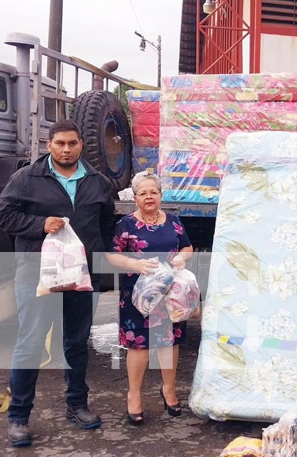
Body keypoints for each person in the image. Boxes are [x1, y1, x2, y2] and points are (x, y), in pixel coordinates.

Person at [0, 120, 115, 447]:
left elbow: (105, 225)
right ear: (49, 145)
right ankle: (18, 416)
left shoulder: (97, 181)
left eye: (72, 143)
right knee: (31, 343)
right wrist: (38, 224)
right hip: (37, 275)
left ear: (80, 145)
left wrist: (100, 268)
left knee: (76, 343)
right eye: (59, 143)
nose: (66, 149)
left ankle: (77, 405)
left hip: (80, 277)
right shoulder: (26, 178)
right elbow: (2, 216)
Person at [106, 170, 193, 425]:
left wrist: (181, 257)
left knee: (169, 343)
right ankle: (134, 395)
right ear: (135, 198)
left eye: (153, 192)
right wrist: (135, 264)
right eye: (143, 193)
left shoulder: (174, 221)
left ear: (161, 195)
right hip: (138, 295)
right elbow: (111, 255)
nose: (149, 197)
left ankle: (168, 389)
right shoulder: (126, 225)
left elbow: (187, 247)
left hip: (170, 294)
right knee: (139, 346)